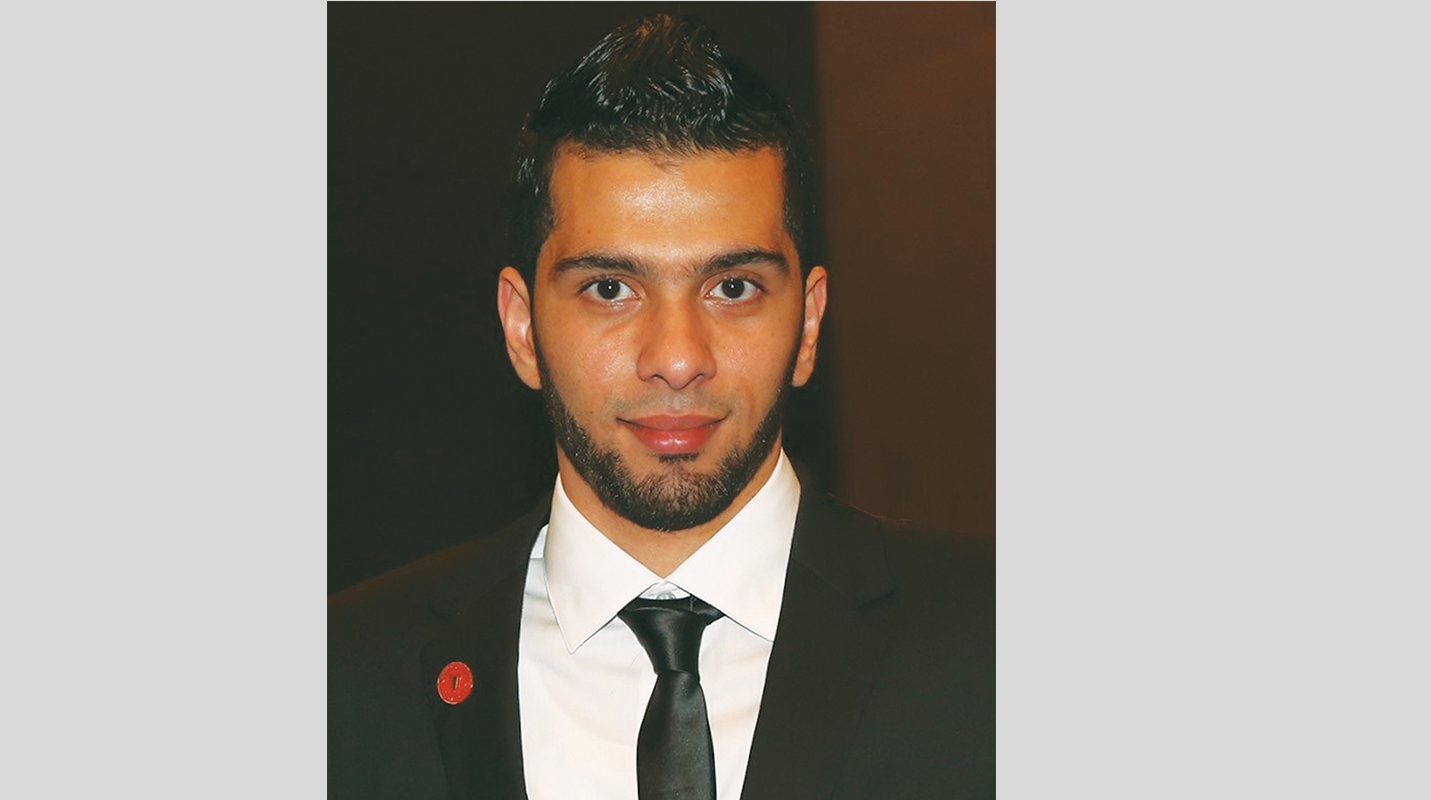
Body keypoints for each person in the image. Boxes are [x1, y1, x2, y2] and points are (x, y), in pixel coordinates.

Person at [329, 14, 993, 800]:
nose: (677, 358)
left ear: (809, 325)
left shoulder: (997, 643)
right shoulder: (341, 682)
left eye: (733, 288)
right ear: (523, 329)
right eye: (610, 289)